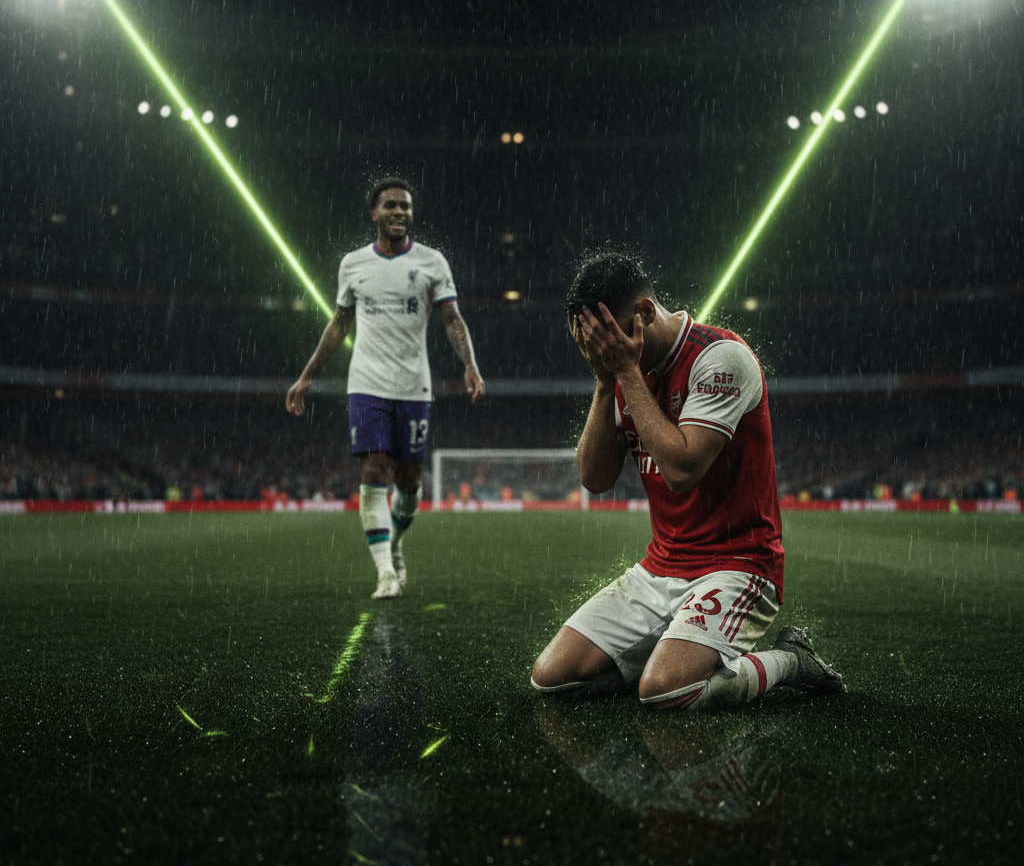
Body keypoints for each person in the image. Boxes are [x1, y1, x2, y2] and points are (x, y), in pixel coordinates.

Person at [531, 252, 844, 710]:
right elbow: (594, 478)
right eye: (592, 345)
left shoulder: (722, 357)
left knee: (669, 691)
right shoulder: (622, 368)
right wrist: (604, 382)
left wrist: (624, 373)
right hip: (660, 567)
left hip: (739, 564)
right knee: (551, 679)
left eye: (606, 338)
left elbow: (682, 471)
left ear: (643, 313)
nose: (602, 350)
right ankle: (670, 648)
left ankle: (791, 660)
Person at [286, 178, 484, 598]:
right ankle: (384, 574)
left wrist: (470, 365)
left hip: (413, 387)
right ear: (374, 213)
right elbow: (339, 324)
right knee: (373, 471)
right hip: (366, 385)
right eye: (391, 205)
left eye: (406, 206)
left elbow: (451, 319)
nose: (400, 212)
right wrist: (306, 377)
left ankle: (394, 541)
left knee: (409, 482)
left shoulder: (432, 262)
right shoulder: (354, 264)